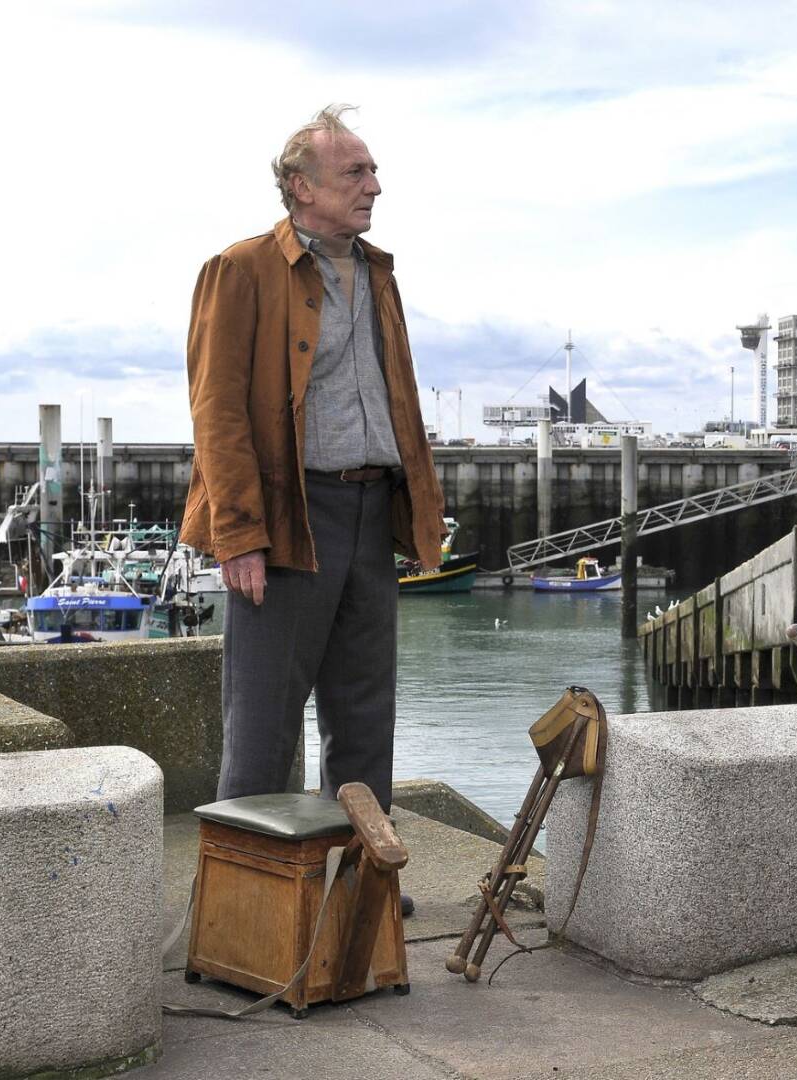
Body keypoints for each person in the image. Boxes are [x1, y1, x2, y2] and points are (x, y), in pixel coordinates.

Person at [181, 105, 447, 852]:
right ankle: (243, 899)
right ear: (301, 186)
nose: (374, 186)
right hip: (290, 515)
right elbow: (217, 412)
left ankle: (359, 892)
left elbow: (397, 398)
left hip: (371, 509)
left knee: (365, 720)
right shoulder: (241, 270)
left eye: (373, 171)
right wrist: (239, 535)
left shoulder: (378, 273)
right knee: (263, 723)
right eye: (355, 172)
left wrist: (416, 515)